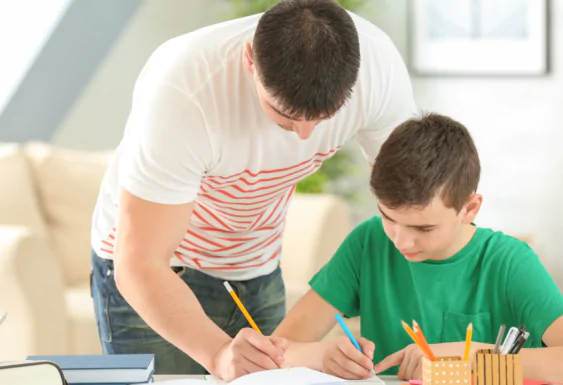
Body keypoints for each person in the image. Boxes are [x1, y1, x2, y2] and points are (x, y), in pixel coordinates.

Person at [89, 0, 416, 379]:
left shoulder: (377, 67)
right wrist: (217, 354)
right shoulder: (184, 89)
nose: (306, 134)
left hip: (255, 264)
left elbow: (410, 199)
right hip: (155, 273)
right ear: (250, 60)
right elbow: (140, 263)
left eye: (325, 116)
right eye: (287, 116)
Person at [272, 113, 563, 384]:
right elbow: (278, 349)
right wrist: (321, 355)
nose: (402, 241)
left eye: (424, 228)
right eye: (388, 218)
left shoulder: (509, 262)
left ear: (469, 209)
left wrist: (476, 356)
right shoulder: (369, 243)